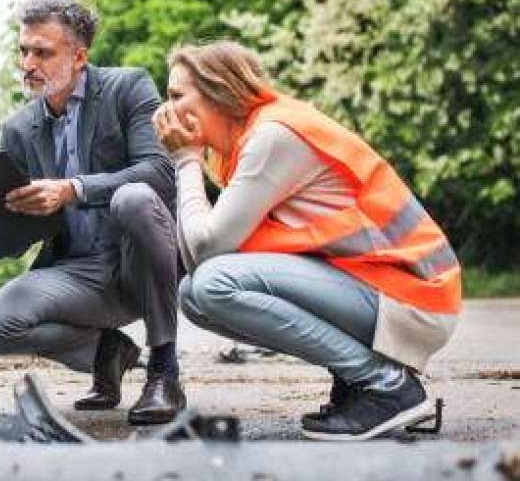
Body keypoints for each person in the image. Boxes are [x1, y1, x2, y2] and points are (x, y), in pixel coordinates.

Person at [153, 40, 460, 441]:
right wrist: (192, 158)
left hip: (413, 297)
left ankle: (386, 386)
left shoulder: (273, 137)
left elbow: (207, 251)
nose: (166, 110)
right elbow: (198, 255)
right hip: (382, 288)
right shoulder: (251, 140)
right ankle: (359, 380)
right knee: (195, 295)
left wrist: (187, 160)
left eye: (177, 95)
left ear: (219, 93)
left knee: (213, 285)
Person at [0, 0, 185, 424]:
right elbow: (28, 231)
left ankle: (164, 370)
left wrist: (72, 189)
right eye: (23, 50)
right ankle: (109, 352)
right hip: (77, 270)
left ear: (79, 55)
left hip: (139, 258)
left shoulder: (128, 87)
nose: (28, 63)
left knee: (135, 196)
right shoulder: (17, 130)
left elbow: (160, 172)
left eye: (43, 52)